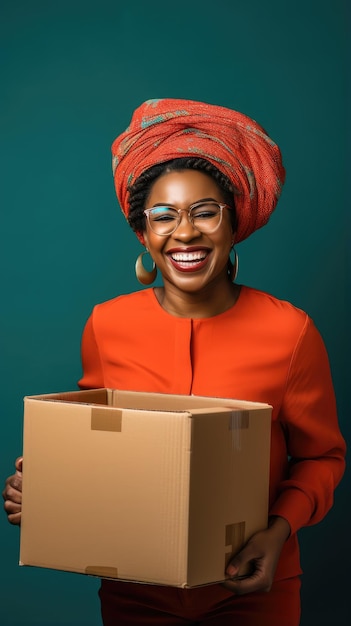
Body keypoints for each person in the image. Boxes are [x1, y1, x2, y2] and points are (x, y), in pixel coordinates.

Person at [3, 98, 346, 626]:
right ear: (144, 234)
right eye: (163, 217)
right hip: (133, 592)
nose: (184, 233)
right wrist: (49, 488)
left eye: (204, 212)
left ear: (234, 223)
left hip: (252, 591)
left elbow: (323, 458)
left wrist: (278, 532)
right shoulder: (106, 325)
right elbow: (99, 445)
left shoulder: (290, 332)